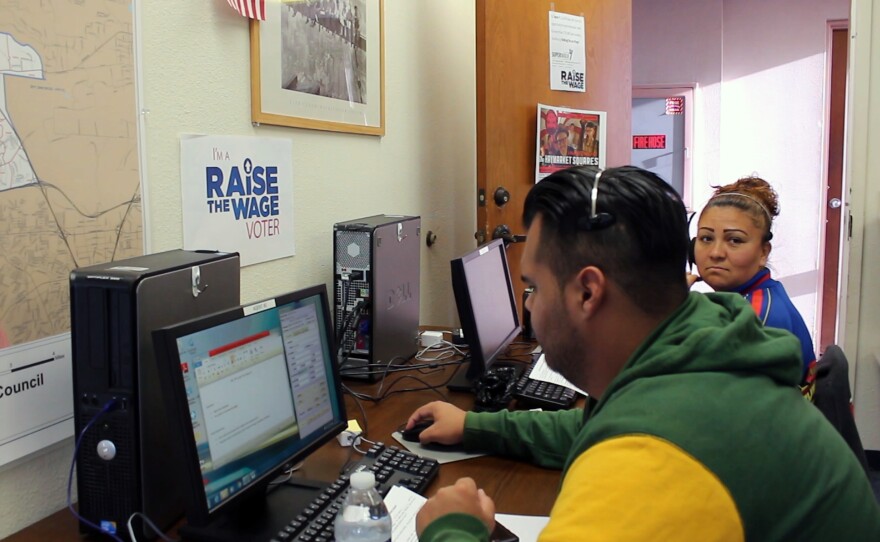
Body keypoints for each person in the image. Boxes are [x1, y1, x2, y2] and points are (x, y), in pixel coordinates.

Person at [409, 165, 880, 541]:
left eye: (533, 287)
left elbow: (642, 452)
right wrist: (474, 425)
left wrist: (454, 529)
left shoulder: (655, 463)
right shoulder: (696, 342)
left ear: (588, 292)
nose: (528, 306)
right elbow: (590, 426)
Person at [688, 176, 818, 399]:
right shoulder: (748, 298)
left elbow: (719, 403)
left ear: (763, 252)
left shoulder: (758, 316)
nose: (716, 252)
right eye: (706, 238)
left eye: (735, 241)